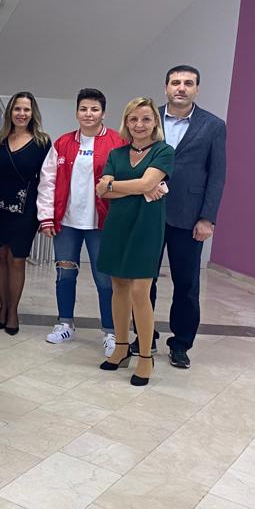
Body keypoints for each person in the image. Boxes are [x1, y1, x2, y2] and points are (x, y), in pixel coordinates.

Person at [145, 65, 227, 370]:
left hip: (189, 217)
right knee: (143, 279)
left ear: (197, 89)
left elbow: (217, 175)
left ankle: (180, 344)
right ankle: (144, 336)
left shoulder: (213, 125)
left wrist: (207, 218)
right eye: (176, 82)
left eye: (188, 83)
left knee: (187, 284)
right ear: (166, 87)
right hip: (148, 212)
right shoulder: (148, 118)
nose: (181, 88)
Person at [36, 88, 127, 356]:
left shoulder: (118, 142)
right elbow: (47, 181)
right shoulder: (63, 143)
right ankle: (65, 323)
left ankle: (111, 331)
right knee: (65, 273)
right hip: (67, 224)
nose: (89, 114)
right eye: (84, 109)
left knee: (105, 279)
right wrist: (46, 217)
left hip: (102, 224)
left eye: (94, 109)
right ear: (76, 112)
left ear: (103, 113)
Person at [96, 97, 174, 386]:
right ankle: (120, 348)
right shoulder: (116, 153)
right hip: (118, 225)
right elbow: (103, 192)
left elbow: (144, 183)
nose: (139, 124)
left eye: (146, 119)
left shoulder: (164, 151)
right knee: (118, 286)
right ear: (126, 123)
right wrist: (139, 188)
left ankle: (144, 356)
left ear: (155, 122)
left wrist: (116, 185)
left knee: (141, 290)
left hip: (146, 226)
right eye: (133, 119)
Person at [0, 92, 51, 335]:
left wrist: (45, 214)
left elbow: (48, 180)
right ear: (10, 112)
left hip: (26, 210)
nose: (21, 114)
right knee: (1, 257)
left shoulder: (42, 142)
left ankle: (13, 311)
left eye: (26, 109)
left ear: (33, 113)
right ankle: (2, 308)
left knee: (17, 259)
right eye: (17, 109)